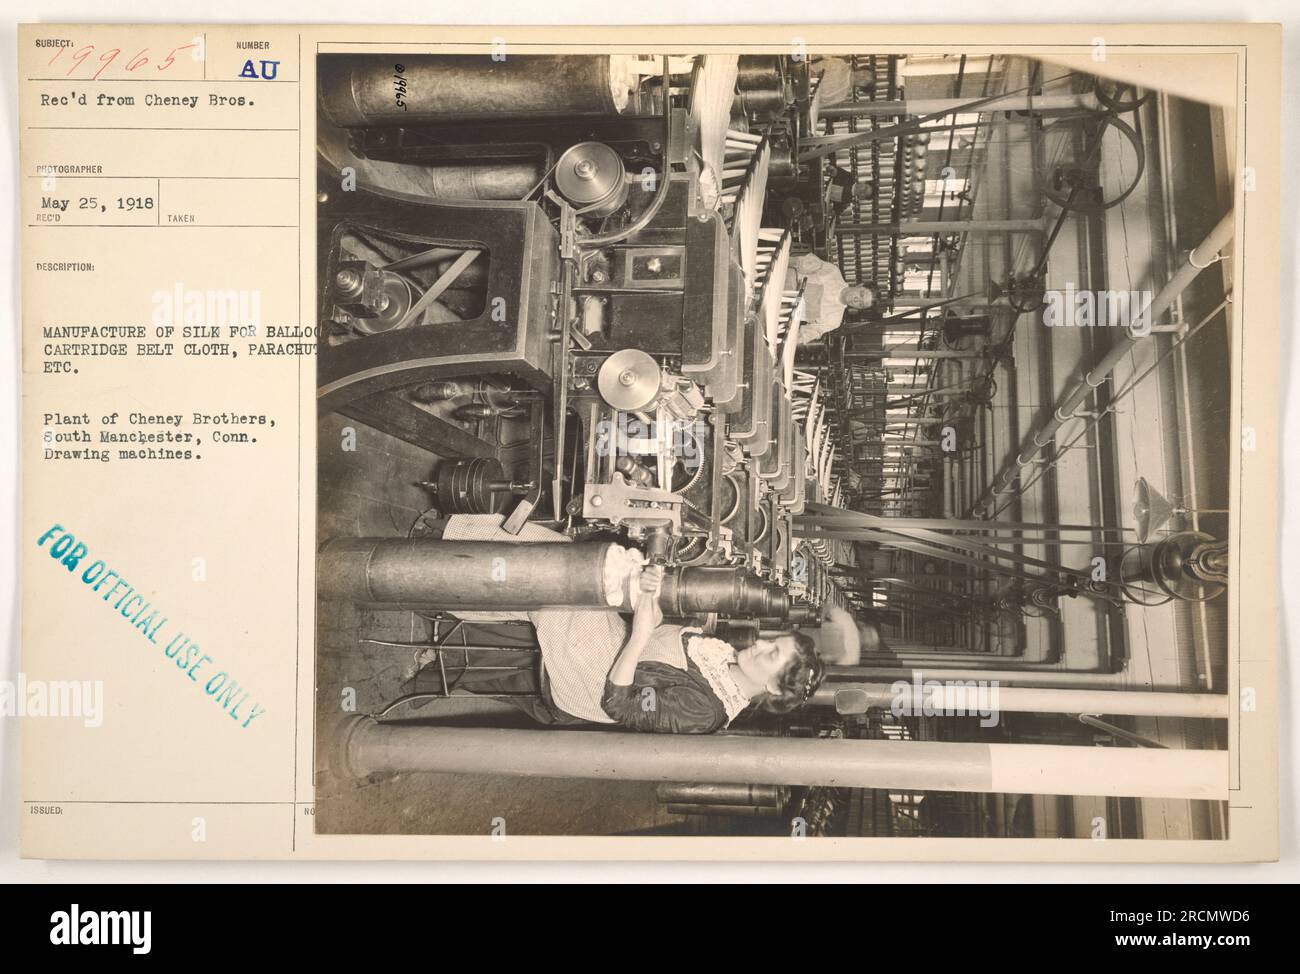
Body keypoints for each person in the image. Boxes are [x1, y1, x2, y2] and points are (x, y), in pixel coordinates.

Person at [416, 566, 825, 734]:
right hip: (613, 648)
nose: (762, 646)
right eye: (774, 641)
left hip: (596, 688)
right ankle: (442, 573)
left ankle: (431, 579)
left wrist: (639, 633)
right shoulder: (722, 655)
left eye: (772, 656)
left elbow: (622, 705)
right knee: (585, 572)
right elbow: (660, 637)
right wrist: (648, 593)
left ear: (773, 690)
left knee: (563, 585)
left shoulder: (707, 711)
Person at [786, 252, 876, 344]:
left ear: (858, 309)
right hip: (783, 279)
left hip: (783, 309)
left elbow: (805, 334)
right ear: (860, 285)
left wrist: (790, 342)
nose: (857, 300)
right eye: (861, 294)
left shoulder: (834, 320)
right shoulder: (833, 272)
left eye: (861, 304)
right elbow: (798, 262)